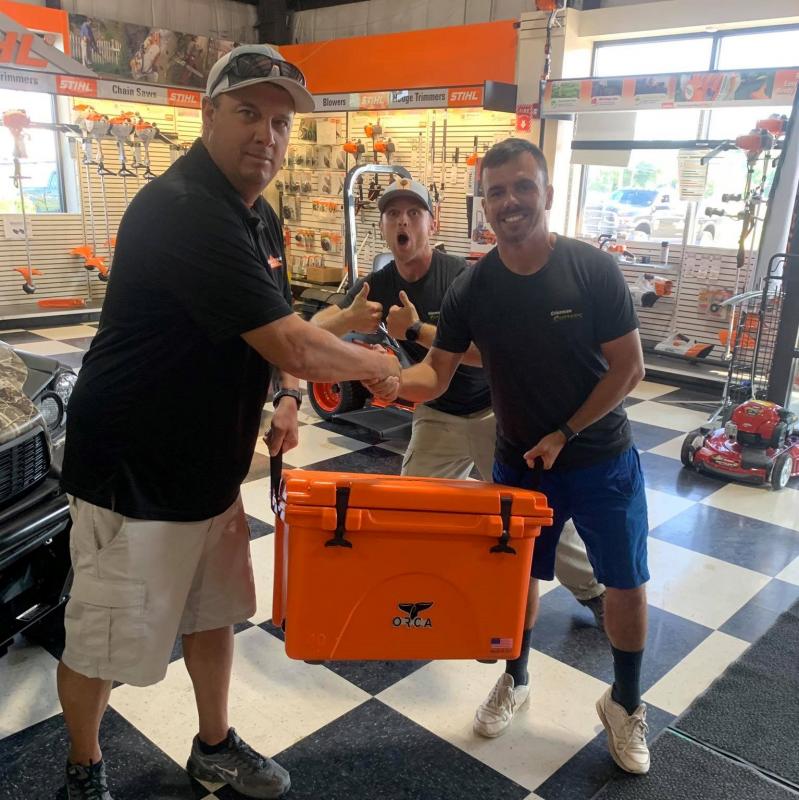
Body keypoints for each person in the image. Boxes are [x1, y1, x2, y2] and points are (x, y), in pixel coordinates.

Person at [58, 44, 400, 800]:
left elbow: (274, 328)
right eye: (248, 113)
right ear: (208, 115)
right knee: (104, 638)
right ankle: (83, 771)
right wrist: (379, 366)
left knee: (213, 615)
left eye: (280, 122)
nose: (265, 136)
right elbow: (293, 342)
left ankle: (213, 745)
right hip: (134, 472)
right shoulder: (185, 209)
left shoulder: (259, 215)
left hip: (208, 467)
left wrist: (287, 398)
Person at [366, 138, 650, 774]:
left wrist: (565, 432)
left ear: (547, 193)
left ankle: (626, 703)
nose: (510, 201)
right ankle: (515, 678)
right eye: (496, 192)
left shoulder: (590, 269)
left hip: (601, 457)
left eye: (523, 187)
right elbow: (436, 374)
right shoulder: (475, 288)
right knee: (519, 580)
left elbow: (628, 368)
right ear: (483, 206)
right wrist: (386, 378)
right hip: (520, 463)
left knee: (626, 583)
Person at [312, 176, 606, 619]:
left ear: (431, 224)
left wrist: (416, 331)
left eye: (414, 213)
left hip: (494, 413)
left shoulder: (463, 279)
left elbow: (491, 354)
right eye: (393, 214)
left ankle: (592, 592)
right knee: (409, 505)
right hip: (437, 411)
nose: (403, 222)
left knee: (532, 511)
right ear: (384, 227)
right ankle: (409, 587)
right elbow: (309, 333)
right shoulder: (378, 285)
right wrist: (346, 319)